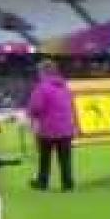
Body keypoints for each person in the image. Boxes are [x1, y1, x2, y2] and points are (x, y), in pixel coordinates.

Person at [26, 59, 77, 191]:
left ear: (43, 72)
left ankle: (42, 182)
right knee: (65, 158)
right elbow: (72, 105)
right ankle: (67, 183)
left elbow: (36, 107)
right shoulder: (65, 86)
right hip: (66, 128)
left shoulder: (42, 87)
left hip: (49, 128)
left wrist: (31, 115)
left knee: (45, 157)